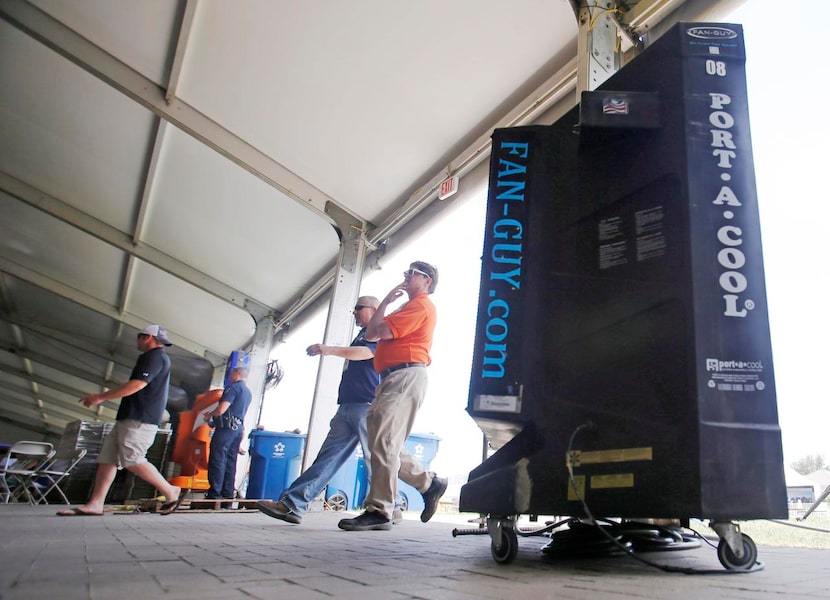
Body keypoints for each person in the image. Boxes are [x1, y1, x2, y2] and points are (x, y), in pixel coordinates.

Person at [338, 261, 447, 531]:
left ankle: (380, 509)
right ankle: (428, 483)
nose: (407, 277)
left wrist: (384, 312)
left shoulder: (420, 306)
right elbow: (371, 333)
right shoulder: (404, 307)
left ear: (427, 281)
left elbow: (381, 332)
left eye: (414, 274)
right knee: (382, 441)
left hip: (405, 375)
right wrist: (386, 300)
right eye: (406, 273)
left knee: (384, 440)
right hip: (390, 378)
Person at [257, 295, 382, 524]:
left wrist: (327, 349)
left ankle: (386, 509)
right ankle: (293, 504)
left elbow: (365, 354)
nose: (354, 312)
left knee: (377, 459)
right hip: (348, 406)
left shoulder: (378, 332)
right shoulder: (362, 334)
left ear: (374, 310)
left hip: (366, 406)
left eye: (358, 308)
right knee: (327, 458)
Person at [57, 325, 184, 516]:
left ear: (147, 337)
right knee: (107, 459)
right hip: (129, 416)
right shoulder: (153, 357)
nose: (136, 342)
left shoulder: (154, 357)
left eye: (138, 338)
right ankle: (95, 503)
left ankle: (170, 491)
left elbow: (137, 384)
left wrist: (101, 397)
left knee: (133, 459)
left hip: (140, 417)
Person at [201, 366, 252, 507]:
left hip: (226, 429)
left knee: (217, 459)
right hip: (237, 428)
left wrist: (209, 415)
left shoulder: (233, 389)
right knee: (230, 461)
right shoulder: (248, 392)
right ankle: (227, 496)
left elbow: (222, 409)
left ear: (237, 373)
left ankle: (214, 495)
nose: (230, 376)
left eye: (232, 373)